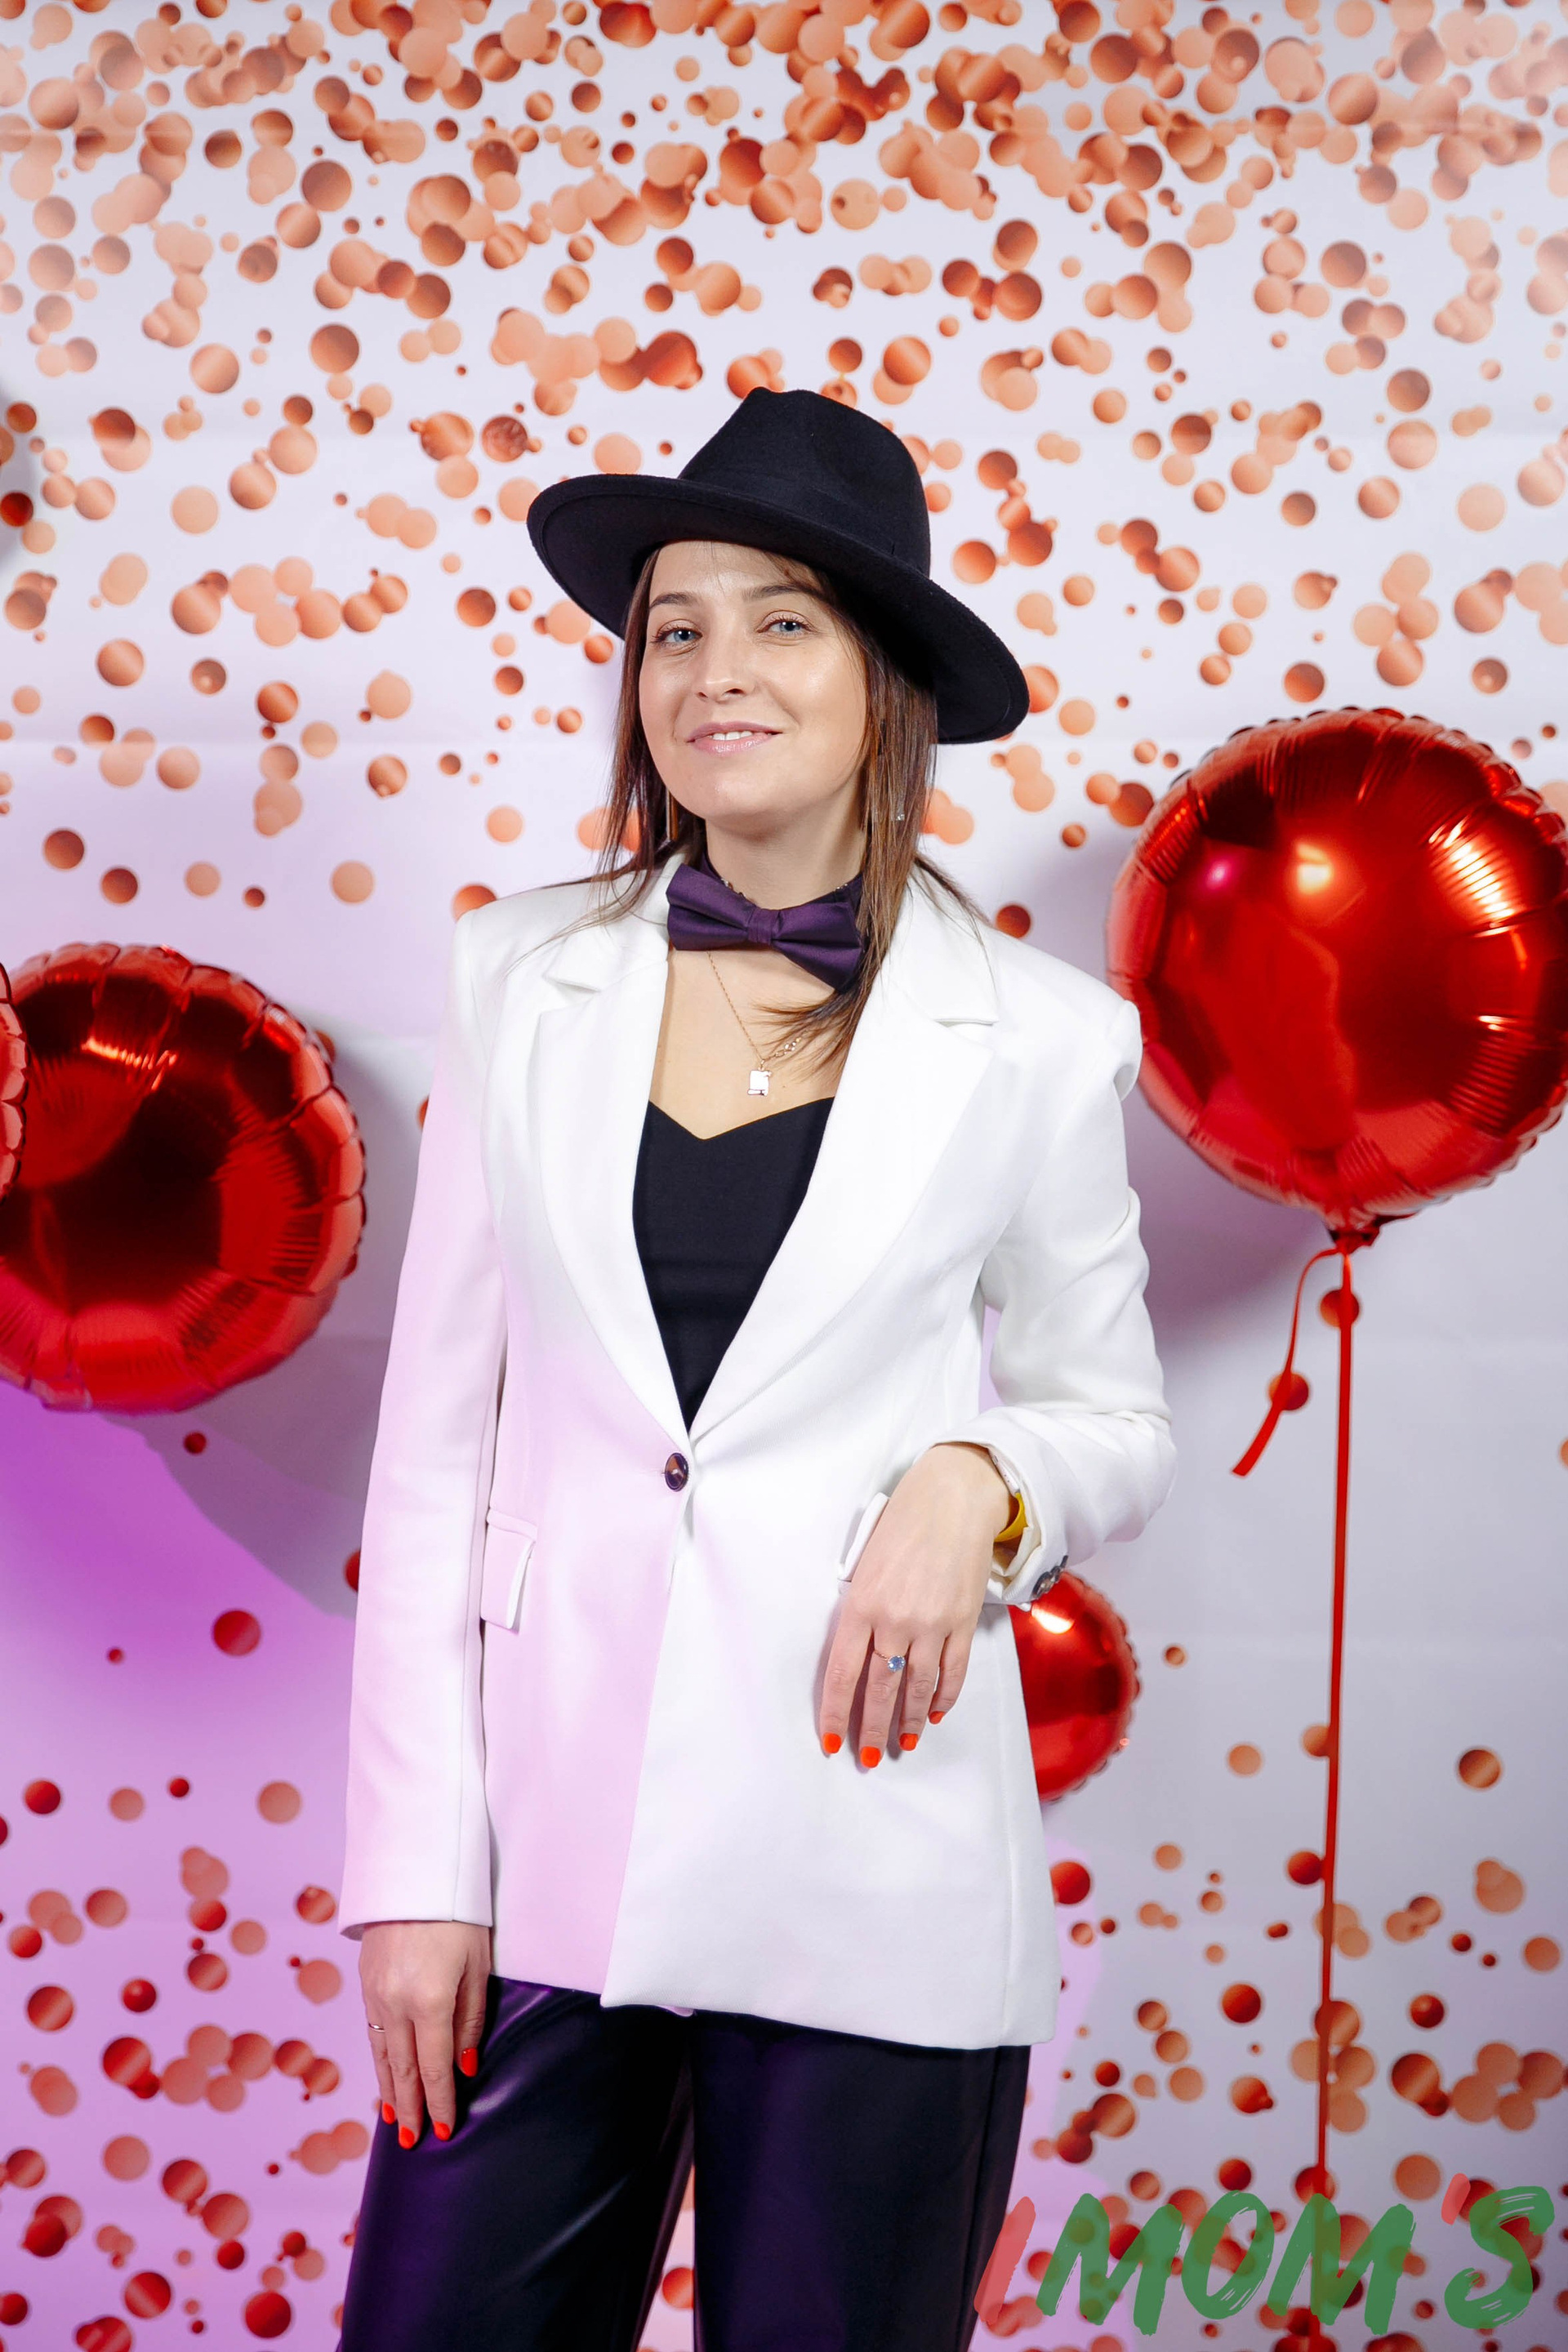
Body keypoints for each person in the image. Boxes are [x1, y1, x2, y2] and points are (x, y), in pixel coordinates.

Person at [336, 388, 1175, 2352]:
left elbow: (1115, 1417)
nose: (716, 672)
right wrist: (414, 1876)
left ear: (886, 686)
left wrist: (981, 1483)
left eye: (784, 621)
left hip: (874, 1864)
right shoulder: (514, 976)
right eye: (676, 628)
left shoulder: (1044, 1038)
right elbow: (433, 1454)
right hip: (543, 1868)